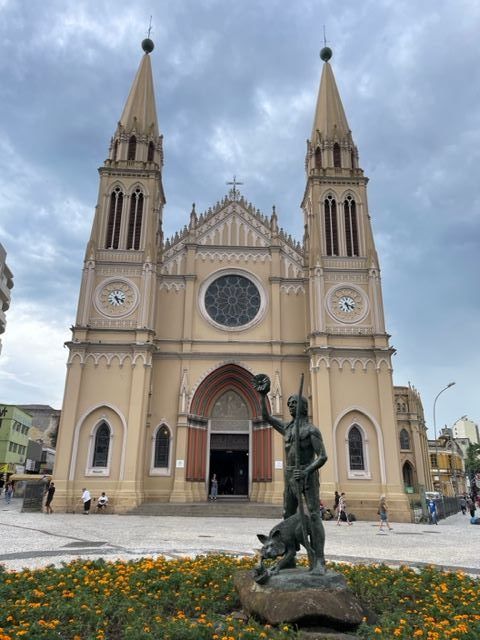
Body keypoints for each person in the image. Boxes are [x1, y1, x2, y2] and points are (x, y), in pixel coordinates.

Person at [255, 374, 328, 575]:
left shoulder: (311, 430)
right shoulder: (287, 427)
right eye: (289, 404)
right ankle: (290, 558)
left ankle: (319, 560)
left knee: (313, 516)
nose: (290, 406)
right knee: (288, 516)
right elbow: (266, 418)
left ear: (304, 407)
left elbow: (323, 456)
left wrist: (306, 470)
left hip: (306, 476)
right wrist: (262, 396)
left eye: (294, 403)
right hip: (289, 476)